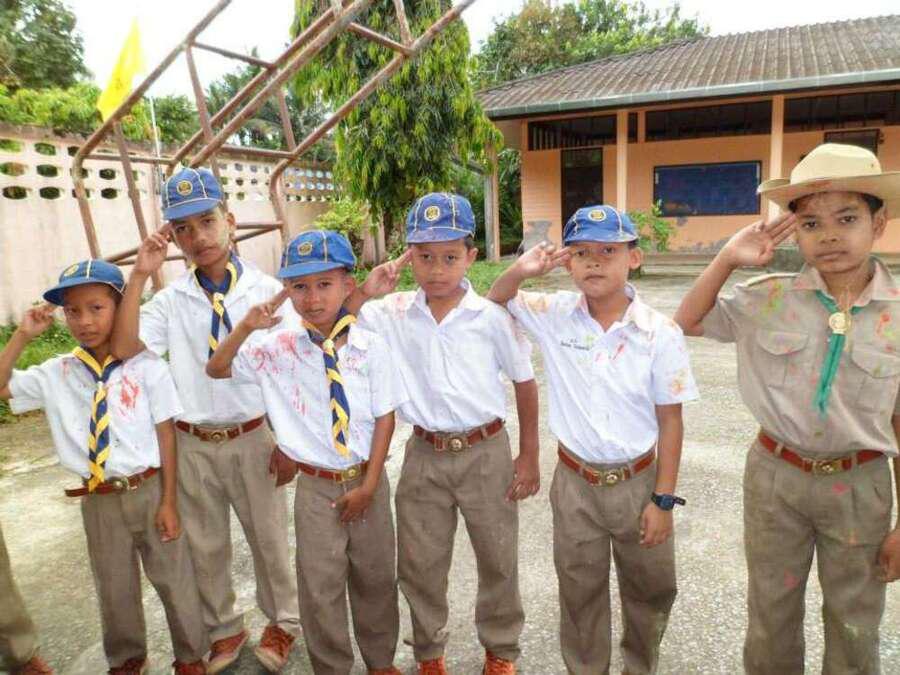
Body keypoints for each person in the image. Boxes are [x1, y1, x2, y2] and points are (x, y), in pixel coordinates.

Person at [673, 143, 900, 673]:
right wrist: (727, 258)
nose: (830, 235)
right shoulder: (766, 297)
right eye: (811, 223)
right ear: (794, 232)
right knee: (771, 612)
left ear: (878, 223)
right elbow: (687, 321)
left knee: (855, 619)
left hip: (860, 483)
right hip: (777, 478)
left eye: (847, 218)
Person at [488, 205, 698, 674]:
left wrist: (663, 500)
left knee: (651, 589)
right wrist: (522, 269)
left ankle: (639, 666)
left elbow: (671, 420)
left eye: (608, 251)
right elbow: (497, 298)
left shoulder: (659, 332)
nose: (595, 262)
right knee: (579, 590)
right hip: (575, 483)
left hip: (638, 482)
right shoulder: (555, 314)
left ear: (634, 258)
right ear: (568, 263)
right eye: (582, 252)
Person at [110, 167, 301, 673]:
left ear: (230, 222)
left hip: (253, 435)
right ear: (174, 240)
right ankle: (224, 627)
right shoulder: (170, 301)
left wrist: (287, 442)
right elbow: (124, 348)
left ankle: (283, 621)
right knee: (205, 544)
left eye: (207, 221)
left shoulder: (268, 291)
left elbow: (291, 374)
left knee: (268, 539)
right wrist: (139, 275)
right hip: (192, 440)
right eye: (183, 229)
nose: (198, 237)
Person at [351, 192, 540, 675]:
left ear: (471, 256)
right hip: (425, 454)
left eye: (450, 257)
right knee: (420, 563)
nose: (437, 269)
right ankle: (429, 653)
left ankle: (501, 649)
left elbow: (524, 382)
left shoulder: (491, 317)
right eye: (424, 256)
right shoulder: (391, 313)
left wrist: (529, 456)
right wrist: (366, 291)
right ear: (408, 257)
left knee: (498, 557)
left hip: (486, 451)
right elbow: (342, 320)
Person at [207, 229, 403, 675]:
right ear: (287, 290)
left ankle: (380, 662)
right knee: (319, 587)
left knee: (375, 578)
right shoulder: (276, 348)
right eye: (299, 286)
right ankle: (331, 667)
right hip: (316, 488)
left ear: (348, 285)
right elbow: (217, 368)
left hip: (367, 479)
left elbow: (386, 418)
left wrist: (370, 486)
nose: (312, 298)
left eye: (324, 284)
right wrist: (245, 327)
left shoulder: (371, 346)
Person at [0, 260, 208, 674]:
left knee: (174, 577)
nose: (84, 321)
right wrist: (22, 336)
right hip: (97, 497)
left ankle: (190, 655)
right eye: (73, 311)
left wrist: (169, 501)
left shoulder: (147, 366)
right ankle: (128, 657)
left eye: (96, 308)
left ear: (120, 307)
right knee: (113, 585)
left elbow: (167, 435)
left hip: (150, 489)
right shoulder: (58, 372)